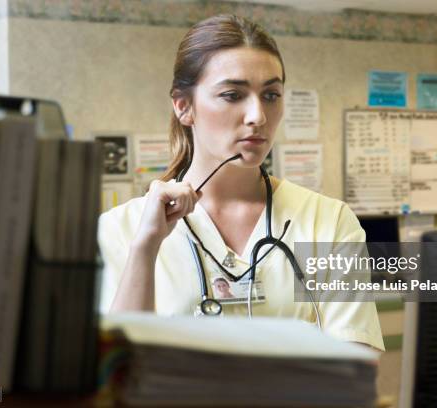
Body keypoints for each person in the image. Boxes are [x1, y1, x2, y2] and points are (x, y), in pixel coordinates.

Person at [98, 14, 384, 351]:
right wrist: (145, 248)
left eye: (271, 95)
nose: (258, 116)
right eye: (233, 95)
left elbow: (356, 366)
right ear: (184, 106)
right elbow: (115, 369)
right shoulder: (122, 228)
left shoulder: (328, 221)